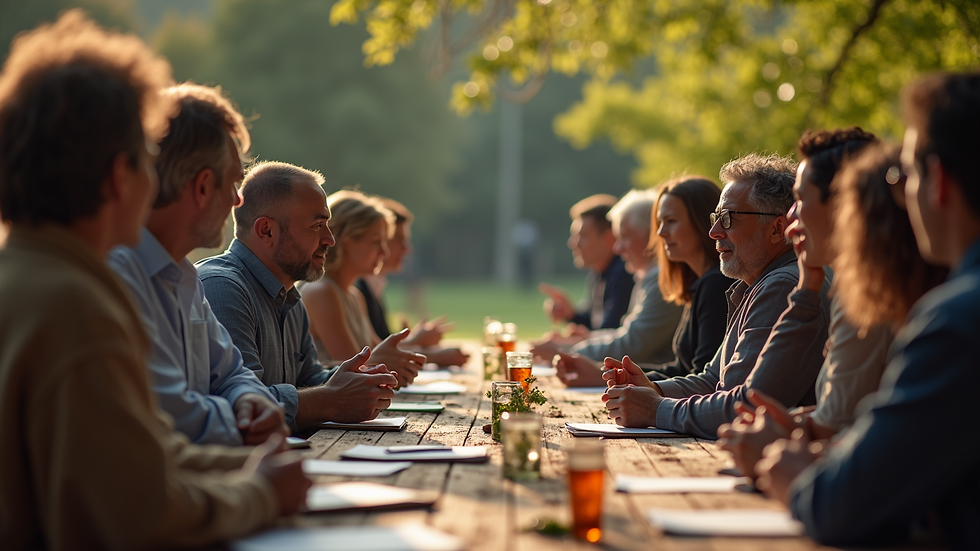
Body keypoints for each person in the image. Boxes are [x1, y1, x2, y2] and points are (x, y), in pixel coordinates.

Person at [0, 12, 309, 549]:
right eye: (148, 161)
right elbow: (138, 513)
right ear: (120, 176)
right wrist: (260, 494)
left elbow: (137, 453)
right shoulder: (75, 304)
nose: (156, 183)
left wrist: (247, 467)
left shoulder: (31, 277)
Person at [756, 72, 980, 548]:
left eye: (906, 176)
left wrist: (791, 466)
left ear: (937, 181)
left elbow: (840, 504)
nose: (901, 195)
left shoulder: (958, 320)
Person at [716, 130, 940, 479]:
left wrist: (785, 441)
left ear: (843, 204)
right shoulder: (858, 285)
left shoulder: (876, 298)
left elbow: (840, 426)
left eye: (801, 200)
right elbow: (846, 416)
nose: (791, 218)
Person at [108, 83, 288, 446]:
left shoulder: (184, 275)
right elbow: (170, 417)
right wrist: (250, 421)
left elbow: (231, 373)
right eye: (235, 183)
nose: (239, 200)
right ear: (204, 186)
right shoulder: (117, 276)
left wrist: (251, 399)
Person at [602, 153, 832, 439]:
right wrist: (653, 389)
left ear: (777, 229)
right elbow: (714, 378)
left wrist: (655, 409)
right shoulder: (759, 283)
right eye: (715, 218)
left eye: (728, 219)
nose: (713, 232)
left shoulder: (783, 285)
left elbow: (744, 408)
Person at [198, 162, 412, 431]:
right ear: (267, 231)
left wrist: (363, 378)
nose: (330, 240)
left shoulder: (289, 294)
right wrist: (331, 399)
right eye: (317, 225)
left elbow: (311, 379)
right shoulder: (223, 287)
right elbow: (245, 404)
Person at [553, 177, 733, 385]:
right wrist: (611, 375)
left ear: (702, 222)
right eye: (660, 223)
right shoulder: (695, 283)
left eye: (671, 221)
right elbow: (683, 369)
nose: (660, 233)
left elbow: (703, 381)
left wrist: (599, 372)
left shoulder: (714, 283)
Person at [532, 189, 684, 369]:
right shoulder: (636, 275)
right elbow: (622, 334)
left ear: (652, 236)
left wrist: (563, 350)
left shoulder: (654, 277)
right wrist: (579, 329)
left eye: (625, 237)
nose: (618, 248)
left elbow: (629, 344)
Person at [298, 190, 434, 370]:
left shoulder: (354, 296)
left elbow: (378, 353)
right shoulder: (322, 292)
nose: (384, 252)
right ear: (347, 240)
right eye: (376, 241)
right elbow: (354, 369)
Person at [354, 197, 469, 366]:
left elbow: (375, 349)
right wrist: (421, 346)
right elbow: (364, 358)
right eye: (399, 239)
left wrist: (415, 341)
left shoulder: (368, 288)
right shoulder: (354, 289)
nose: (407, 248)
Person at [539, 194, 634, 335]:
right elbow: (593, 324)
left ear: (609, 237)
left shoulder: (625, 273)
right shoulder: (599, 273)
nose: (573, 244)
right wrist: (570, 314)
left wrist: (564, 345)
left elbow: (608, 335)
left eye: (583, 236)